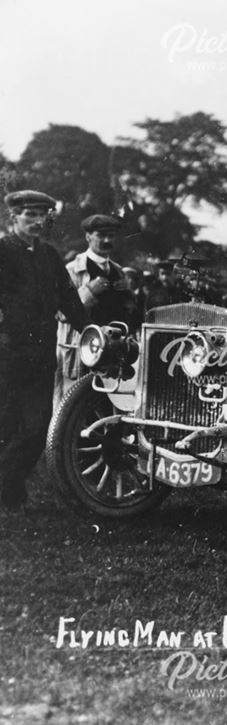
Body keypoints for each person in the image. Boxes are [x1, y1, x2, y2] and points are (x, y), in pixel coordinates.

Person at [0, 190, 87, 511]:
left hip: (41, 355)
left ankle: (7, 484)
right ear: (14, 217)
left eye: (42, 216)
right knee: (5, 426)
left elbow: (69, 300)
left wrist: (90, 330)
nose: (37, 222)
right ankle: (9, 493)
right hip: (7, 355)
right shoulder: (3, 251)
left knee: (38, 428)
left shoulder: (50, 256)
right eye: (29, 216)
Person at [56, 214, 138, 401]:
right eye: (101, 235)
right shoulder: (72, 270)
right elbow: (60, 313)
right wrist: (89, 291)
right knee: (73, 411)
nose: (107, 240)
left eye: (111, 235)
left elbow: (128, 314)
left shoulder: (118, 271)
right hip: (81, 353)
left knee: (110, 408)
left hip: (111, 355)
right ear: (88, 237)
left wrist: (129, 296)